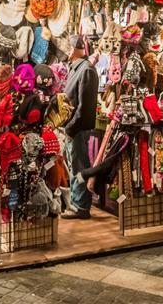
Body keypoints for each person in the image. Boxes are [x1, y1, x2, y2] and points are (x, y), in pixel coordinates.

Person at [61, 35, 99, 220]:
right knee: (74, 164)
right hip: (73, 127)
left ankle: (81, 207)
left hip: (78, 129)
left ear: (74, 49)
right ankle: (77, 204)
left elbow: (85, 107)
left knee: (79, 165)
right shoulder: (76, 69)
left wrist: (70, 128)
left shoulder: (86, 71)